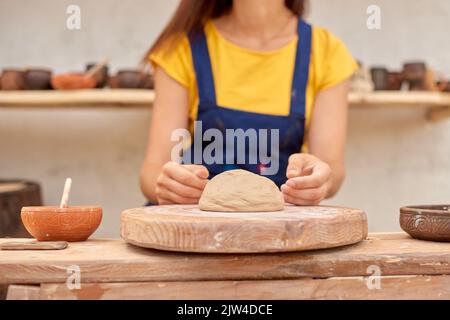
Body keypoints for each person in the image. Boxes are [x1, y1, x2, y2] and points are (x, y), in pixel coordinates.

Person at [140, 0, 358, 205]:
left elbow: (332, 166)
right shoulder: (181, 47)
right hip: (197, 228)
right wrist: (168, 184)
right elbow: (152, 171)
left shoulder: (326, 52)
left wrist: (319, 179)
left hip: (278, 231)